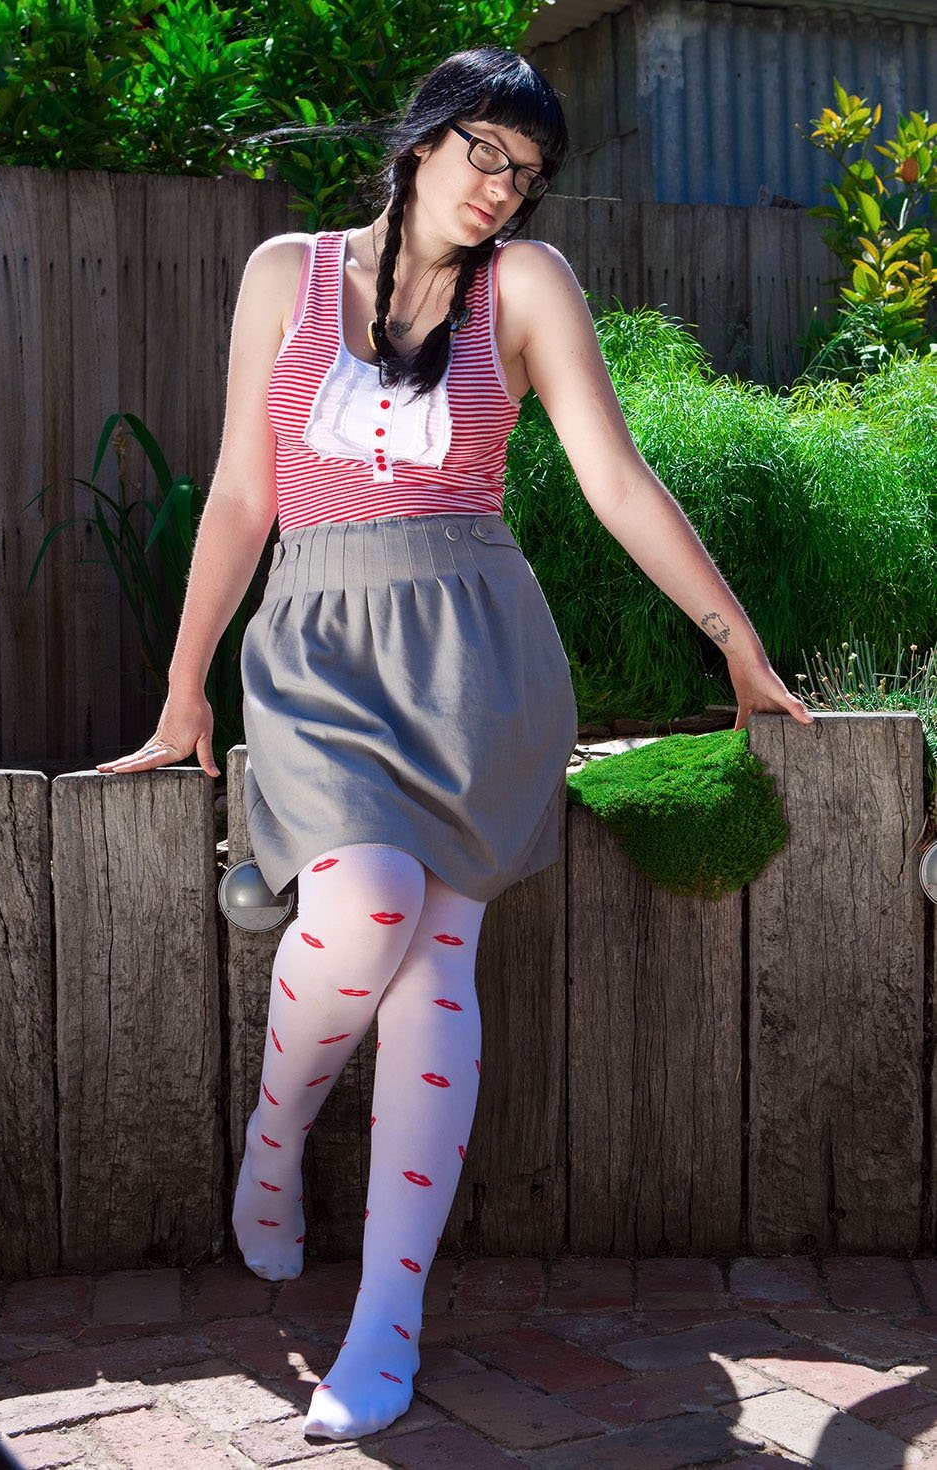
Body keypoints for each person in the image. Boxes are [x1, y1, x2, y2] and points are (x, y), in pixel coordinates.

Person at [97, 46, 812, 1441]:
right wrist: (187, 688)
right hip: (315, 650)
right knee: (362, 909)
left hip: (477, 658)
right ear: (423, 140)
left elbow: (614, 478)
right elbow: (242, 492)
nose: (501, 189)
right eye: (484, 152)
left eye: (526, 174)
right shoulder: (285, 273)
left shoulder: (526, 287)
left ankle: (387, 1318)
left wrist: (734, 640)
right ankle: (275, 1138)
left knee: (435, 965)